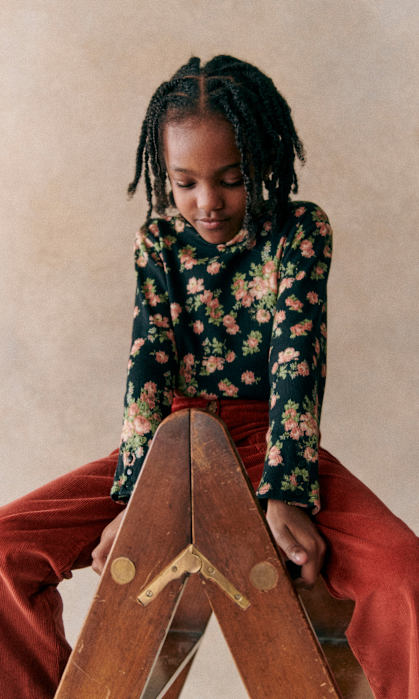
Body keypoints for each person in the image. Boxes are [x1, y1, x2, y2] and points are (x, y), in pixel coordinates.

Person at [0, 55, 417, 699]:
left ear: (264, 163)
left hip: (267, 441)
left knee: (403, 572)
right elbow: (148, 368)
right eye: (185, 182)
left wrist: (287, 493)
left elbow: (297, 363)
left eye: (231, 179)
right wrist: (133, 502)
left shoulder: (300, 231)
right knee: (5, 549)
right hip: (166, 445)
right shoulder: (157, 241)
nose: (207, 202)